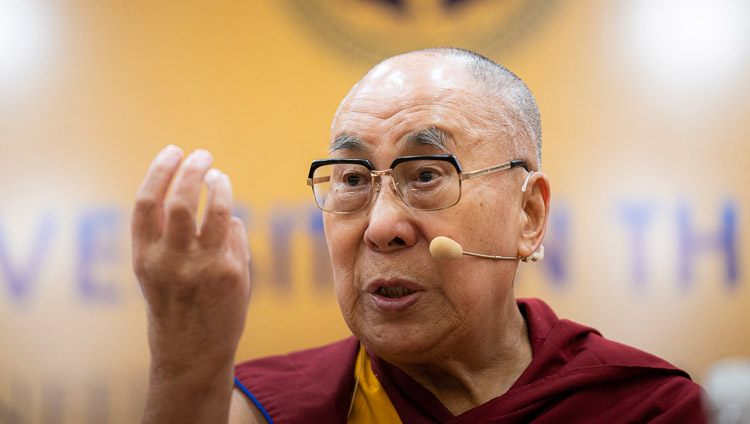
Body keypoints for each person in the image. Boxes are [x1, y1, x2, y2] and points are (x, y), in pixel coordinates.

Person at [132, 48, 706, 423]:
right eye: (353, 179)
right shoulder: (269, 410)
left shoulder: (641, 409)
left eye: (427, 175)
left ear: (528, 215)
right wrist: (186, 367)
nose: (380, 228)